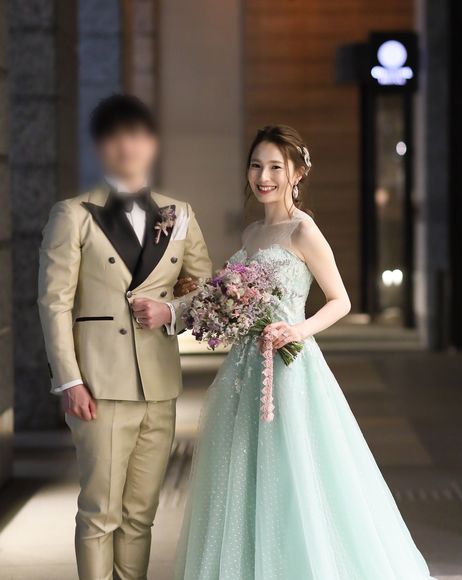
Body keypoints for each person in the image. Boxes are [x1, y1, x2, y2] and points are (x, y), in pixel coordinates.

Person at [140, 124, 435, 579]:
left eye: (276, 167)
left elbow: (340, 300)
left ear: (297, 173)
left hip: (289, 371)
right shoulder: (252, 232)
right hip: (243, 370)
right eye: (256, 166)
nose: (264, 177)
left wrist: (297, 329)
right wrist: (186, 312)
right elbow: (224, 295)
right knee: (242, 480)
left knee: (294, 475)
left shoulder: (304, 230)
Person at [37, 93, 212, 580]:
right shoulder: (72, 214)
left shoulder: (179, 213)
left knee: (140, 516)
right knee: (100, 513)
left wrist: (171, 311)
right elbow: (53, 302)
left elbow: (206, 291)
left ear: (151, 144)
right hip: (99, 385)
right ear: (100, 146)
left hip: (159, 385)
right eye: (114, 136)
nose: (126, 146)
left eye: (136, 135)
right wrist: (69, 380)